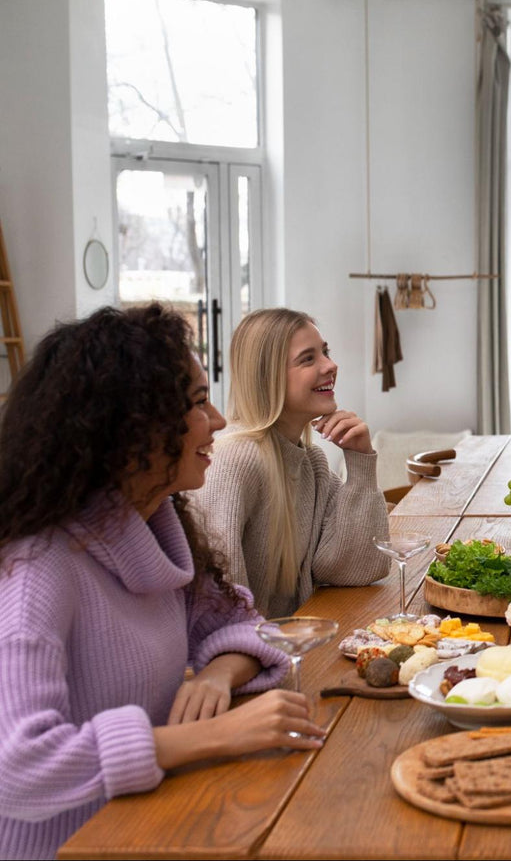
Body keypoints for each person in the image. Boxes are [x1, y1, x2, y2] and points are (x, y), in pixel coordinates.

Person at [0, 305, 326, 860]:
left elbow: (242, 625)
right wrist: (213, 735)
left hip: (155, 822)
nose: (219, 420)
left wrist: (217, 677)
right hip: (70, 846)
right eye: (198, 402)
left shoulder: (152, 522)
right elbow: (19, 766)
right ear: (132, 424)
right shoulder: (39, 569)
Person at [189, 308, 388, 619]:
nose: (331, 365)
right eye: (307, 359)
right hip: (251, 658)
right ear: (266, 377)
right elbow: (220, 607)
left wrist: (361, 461)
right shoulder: (235, 460)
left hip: (290, 645)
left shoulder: (310, 461)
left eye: (325, 352)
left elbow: (358, 567)